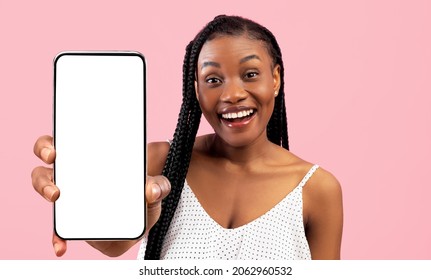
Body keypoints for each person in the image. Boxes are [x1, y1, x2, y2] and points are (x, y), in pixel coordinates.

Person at [31, 15, 343, 260]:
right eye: (213, 79)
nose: (232, 94)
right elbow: (112, 244)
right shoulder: (161, 163)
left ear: (275, 79)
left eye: (250, 74)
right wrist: (81, 192)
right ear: (196, 89)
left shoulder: (318, 190)